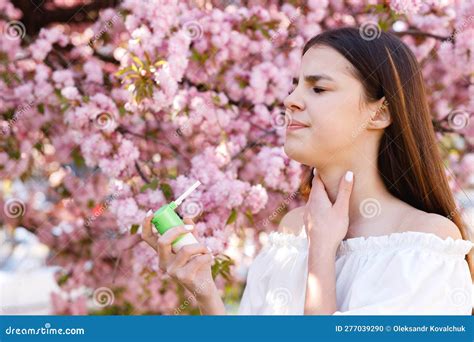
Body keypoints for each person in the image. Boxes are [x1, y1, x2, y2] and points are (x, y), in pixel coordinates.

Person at [140, 27, 473, 315]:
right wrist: (205, 293)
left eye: (318, 88)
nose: (290, 100)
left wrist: (322, 252)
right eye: (295, 86)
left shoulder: (425, 244)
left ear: (380, 113)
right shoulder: (291, 232)